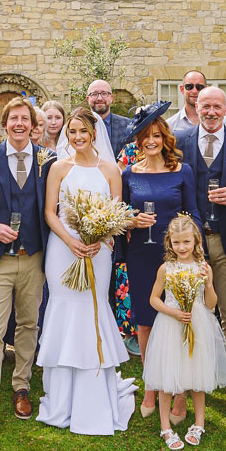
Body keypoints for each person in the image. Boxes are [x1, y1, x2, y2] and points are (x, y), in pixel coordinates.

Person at [37, 107, 136, 434]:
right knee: (64, 309)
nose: (77, 137)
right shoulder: (58, 168)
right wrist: (71, 241)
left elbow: (117, 213)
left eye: (83, 131)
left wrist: (100, 237)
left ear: (94, 133)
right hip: (62, 249)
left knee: (93, 309)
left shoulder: (111, 170)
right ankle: (62, 398)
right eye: (72, 132)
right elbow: (51, 212)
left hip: (98, 251)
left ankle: (95, 394)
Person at [0, 97, 54, 439]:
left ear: (33, 126)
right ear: (4, 124)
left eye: (25, 119)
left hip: (34, 258)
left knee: (28, 324)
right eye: (13, 119)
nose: (19, 124)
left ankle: (21, 386)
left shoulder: (47, 160)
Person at [118, 101, 200, 422]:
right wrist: (130, 220)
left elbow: (193, 212)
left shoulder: (182, 171)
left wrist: (195, 255)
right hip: (140, 253)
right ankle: (151, 384)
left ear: (165, 137)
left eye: (156, 135)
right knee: (146, 321)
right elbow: (121, 212)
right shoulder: (128, 173)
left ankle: (179, 393)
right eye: (145, 136)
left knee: (177, 319)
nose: (151, 141)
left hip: (175, 255)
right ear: (138, 141)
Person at [142, 215, 226, 449]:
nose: (181, 247)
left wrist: (209, 283)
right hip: (171, 326)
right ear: (169, 243)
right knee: (166, 378)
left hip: (198, 323)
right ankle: (165, 427)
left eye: (186, 242)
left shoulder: (203, 268)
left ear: (196, 241)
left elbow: (211, 304)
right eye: (176, 243)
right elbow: (153, 299)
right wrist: (173, 313)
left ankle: (199, 423)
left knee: (197, 376)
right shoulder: (166, 269)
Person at [177, 86, 226, 347]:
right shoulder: (179, 141)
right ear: (196, 107)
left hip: (225, 239)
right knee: (191, 308)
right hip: (189, 243)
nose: (211, 112)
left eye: (217, 107)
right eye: (205, 106)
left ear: (225, 109)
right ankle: (194, 363)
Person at [167, 70, 209, 137]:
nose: (194, 91)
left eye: (199, 87)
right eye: (189, 86)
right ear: (182, 89)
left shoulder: (221, 121)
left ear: (206, 89)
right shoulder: (171, 125)